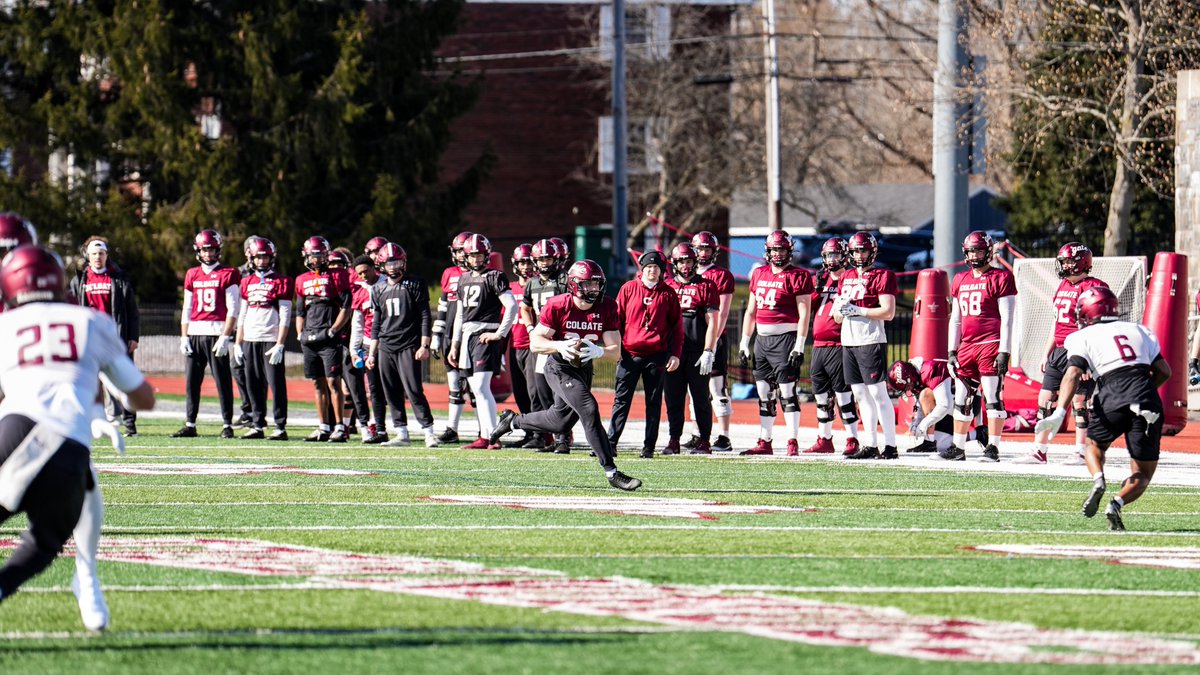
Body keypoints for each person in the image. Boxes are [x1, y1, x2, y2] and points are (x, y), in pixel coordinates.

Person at [0, 245, 156, 632]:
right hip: (67, 449)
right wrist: (106, 400)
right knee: (46, 540)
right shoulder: (88, 320)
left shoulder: (5, 325)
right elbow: (143, 397)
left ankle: (87, 580)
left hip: (11, 434)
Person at [488, 260, 642, 491]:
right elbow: (536, 343)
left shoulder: (607, 307)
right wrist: (559, 346)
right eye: (588, 284)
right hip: (558, 366)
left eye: (596, 283)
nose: (594, 288)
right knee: (589, 408)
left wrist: (599, 350)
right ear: (574, 284)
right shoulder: (558, 305)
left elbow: (616, 352)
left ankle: (513, 421)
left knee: (560, 422)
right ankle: (611, 471)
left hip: (583, 368)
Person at [1034, 286, 1170, 531]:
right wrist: (1145, 393)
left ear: (1086, 312)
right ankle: (1116, 503)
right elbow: (1164, 372)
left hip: (1112, 392)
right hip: (1146, 394)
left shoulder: (1080, 336)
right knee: (1143, 473)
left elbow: (1073, 373)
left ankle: (1098, 478)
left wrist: (1059, 412)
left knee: (1094, 447)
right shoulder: (1141, 330)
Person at [1024, 242, 1110, 465]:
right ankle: (1039, 450)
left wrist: (1090, 360)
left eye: (1069, 261)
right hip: (1060, 350)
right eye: (1063, 261)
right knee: (1045, 399)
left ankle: (1081, 450)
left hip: (1081, 349)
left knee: (1080, 401)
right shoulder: (1062, 285)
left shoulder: (1093, 287)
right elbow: (1057, 322)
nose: (1064, 265)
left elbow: (1098, 325)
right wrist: (1047, 352)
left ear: (1081, 262)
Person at [737, 230, 814, 456]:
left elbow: (804, 313)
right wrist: (744, 343)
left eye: (781, 249)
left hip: (785, 339)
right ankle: (765, 440)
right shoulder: (759, 273)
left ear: (789, 251)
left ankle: (792, 441)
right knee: (763, 393)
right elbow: (751, 312)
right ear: (767, 251)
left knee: (787, 392)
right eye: (774, 249)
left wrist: (799, 345)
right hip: (762, 340)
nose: (777, 254)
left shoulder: (798, 275)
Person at [947, 231, 1017, 462]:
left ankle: (993, 447)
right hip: (967, 345)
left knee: (992, 396)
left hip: (990, 343)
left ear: (988, 252)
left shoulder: (1001, 277)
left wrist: (1004, 351)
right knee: (962, 397)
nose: (974, 255)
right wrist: (951, 350)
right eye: (970, 251)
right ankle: (958, 447)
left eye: (978, 250)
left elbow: (1007, 319)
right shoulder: (959, 279)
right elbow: (955, 318)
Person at [607, 250, 682, 458]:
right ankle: (610, 443)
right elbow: (616, 321)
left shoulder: (668, 294)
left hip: (656, 355)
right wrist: (616, 349)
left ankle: (648, 447)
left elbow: (677, 327)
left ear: (661, 271)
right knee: (621, 401)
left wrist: (675, 354)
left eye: (656, 268)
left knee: (653, 402)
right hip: (629, 355)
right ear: (642, 269)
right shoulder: (628, 289)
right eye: (648, 267)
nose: (652, 271)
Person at [366, 243, 439, 447]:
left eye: (396, 262)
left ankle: (428, 432)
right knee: (391, 390)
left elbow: (425, 315)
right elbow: (376, 323)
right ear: (381, 264)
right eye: (389, 262)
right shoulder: (378, 288)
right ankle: (401, 433)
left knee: (413, 388)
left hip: (408, 343)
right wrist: (372, 353)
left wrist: (424, 344)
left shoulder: (415, 284)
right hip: (386, 346)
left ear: (404, 262)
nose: (393, 266)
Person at [834, 232, 899, 460]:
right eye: (855, 251)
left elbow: (888, 312)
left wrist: (859, 310)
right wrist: (839, 309)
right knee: (860, 394)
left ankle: (890, 445)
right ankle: (871, 443)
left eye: (862, 250)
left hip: (870, 339)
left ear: (872, 252)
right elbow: (838, 317)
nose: (859, 255)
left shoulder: (883, 275)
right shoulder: (846, 276)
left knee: (878, 393)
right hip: (849, 340)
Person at [69, 236, 141, 438]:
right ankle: (90, 420)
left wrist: (133, 336)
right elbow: (71, 309)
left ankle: (129, 424)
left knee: (124, 380)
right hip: (89, 338)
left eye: (101, 253)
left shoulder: (118, 278)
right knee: (88, 381)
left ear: (107, 255)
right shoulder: (79, 280)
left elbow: (131, 310)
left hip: (116, 339)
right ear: (87, 256)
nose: (98, 257)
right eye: (94, 254)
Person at [450, 234, 518, 448]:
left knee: (480, 386)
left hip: (485, 335)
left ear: (486, 255)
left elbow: (512, 306)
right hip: (468, 336)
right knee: (473, 388)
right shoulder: (463, 278)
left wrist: (499, 333)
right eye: (472, 255)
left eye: (479, 255)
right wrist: (455, 343)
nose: (476, 259)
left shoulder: (494, 276)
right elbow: (460, 314)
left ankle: (492, 436)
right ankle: (485, 434)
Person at [173, 229, 241, 439]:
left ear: (218, 250)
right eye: (205, 250)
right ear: (198, 251)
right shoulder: (192, 274)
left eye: (212, 249)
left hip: (216, 333)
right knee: (192, 382)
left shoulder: (228, 273)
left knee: (222, 381)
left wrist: (225, 336)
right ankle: (190, 423)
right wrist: (184, 335)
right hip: (195, 333)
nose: (209, 254)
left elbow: (234, 308)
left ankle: (227, 424)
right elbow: (187, 307)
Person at [805, 238, 861, 455]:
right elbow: (807, 307)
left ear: (845, 256)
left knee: (843, 395)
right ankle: (824, 438)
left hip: (839, 343)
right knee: (820, 396)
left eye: (836, 255)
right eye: (829, 255)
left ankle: (852, 438)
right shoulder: (820, 279)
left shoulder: (850, 278)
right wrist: (816, 290)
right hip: (819, 344)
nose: (832, 259)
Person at [294, 235, 353, 442]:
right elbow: (300, 311)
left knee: (333, 382)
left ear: (327, 256)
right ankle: (324, 426)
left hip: (328, 337)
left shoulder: (338, 275)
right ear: (306, 256)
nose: (317, 260)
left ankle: (339, 427)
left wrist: (334, 330)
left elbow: (347, 307)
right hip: (310, 337)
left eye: (320, 256)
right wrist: (300, 333)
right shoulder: (301, 280)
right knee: (317, 384)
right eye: (313, 256)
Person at [663, 243, 720, 454]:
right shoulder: (667, 286)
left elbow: (712, 321)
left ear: (695, 262)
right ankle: (673, 440)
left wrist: (708, 350)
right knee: (673, 399)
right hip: (673, 353)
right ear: (674, 264)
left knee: (701, 398)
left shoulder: (706, 286)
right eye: (681, 262)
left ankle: (705, 440)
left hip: (696, 351)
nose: (685, 266)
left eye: (688, 261)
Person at [233, 237, 292, 440]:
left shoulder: (282, 281)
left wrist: (280, 343)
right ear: (251, 258)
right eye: (258, 257)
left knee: (276, 384)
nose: (261, 261)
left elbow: (285, 315)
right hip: (250, 338)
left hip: (270, 339)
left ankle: (280, 425)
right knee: (253, 383)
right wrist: (238, 343)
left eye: (265, 257)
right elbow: (242, 315)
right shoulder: (245, 281)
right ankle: (257, 424)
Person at [686, 230, 736, 452]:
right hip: (692, 339)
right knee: (693, 390)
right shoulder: (685, 274)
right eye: (699, 248)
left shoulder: (721, 275)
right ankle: (697, 433)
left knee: (717, 389)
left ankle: (724, 435)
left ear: (714, 251)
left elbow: (723, 313)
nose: (703, 253)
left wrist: (712, 343)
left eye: (707, 248)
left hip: (713, 338)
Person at [520, 238, 570, 453]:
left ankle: (562, 440)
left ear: (556, 258)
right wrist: (531, 329)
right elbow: (524, 308)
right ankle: (546, 437)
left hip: (559, 341)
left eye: (547, 258)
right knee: (541, 392)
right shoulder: (532, 282)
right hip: (542, 341)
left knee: (559, 392)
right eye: (540, 259)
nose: (544, 263)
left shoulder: (564, 280)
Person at [885, 358, 989, 456]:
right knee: (941, 444)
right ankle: (979, 433)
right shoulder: (917, 376)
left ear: (910, 377)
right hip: (953, 407)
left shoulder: (930, 369)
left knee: (925, 394)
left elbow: (944, 405)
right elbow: (920, 406)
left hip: (967, 402)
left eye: (907, 386)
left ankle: (929, 442)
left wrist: (924, 424)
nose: (908, 390)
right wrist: (917, 423)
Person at [431, 231, 474, 443]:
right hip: (450, 334)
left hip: (472, 335)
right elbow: (443, 305)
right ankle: (452, 429)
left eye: (462, 250)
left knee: (475, 387)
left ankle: (486, 431)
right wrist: (436, 335)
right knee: (454, 386)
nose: (459, 255)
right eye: (457, 251)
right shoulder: (449, 273)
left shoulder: (484, 274)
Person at [350, 254, 395, 444]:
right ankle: (380, 429)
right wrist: (353, 349)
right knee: (375, 388)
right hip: (369, 343)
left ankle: (406, 428)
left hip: (391, 342)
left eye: (365, 271)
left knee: (394, 387)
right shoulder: (360, 293)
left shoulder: (388, 285)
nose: (363, 276)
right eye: (359, 273)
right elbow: (357, 323)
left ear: (374, 267)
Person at [504, 244, 536, 446]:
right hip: (515, 347)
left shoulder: (539, 285)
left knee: (536, 394)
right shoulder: (509, 288)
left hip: (534, 347)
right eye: (522, 262)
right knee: (521, 393)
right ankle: (529, 433)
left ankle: (543, 434)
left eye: (529, 262)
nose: (526, 266)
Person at [231, 236, 259, 428]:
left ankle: (258, 411)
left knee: (259, 372)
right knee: (237, 366)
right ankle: (247, 409)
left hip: (260, 327)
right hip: (240, 328)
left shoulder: (269, 272)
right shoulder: (238, 273)